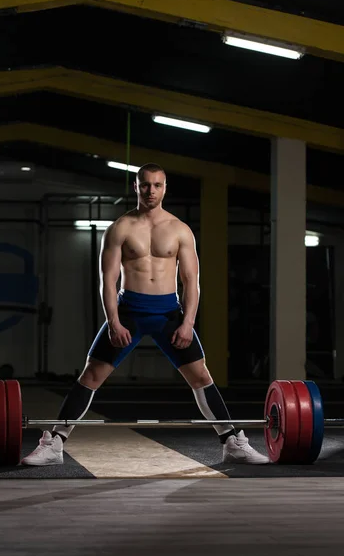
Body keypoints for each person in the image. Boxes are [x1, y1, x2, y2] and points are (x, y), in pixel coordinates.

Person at [21, 163, 269, 466]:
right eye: (145, 185)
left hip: (168, 313)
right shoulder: (120, 228)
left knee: (201, 376)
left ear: (165, 188)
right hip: (129, 312)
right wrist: (113, 321)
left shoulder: (180, 230)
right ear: (135, 187)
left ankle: (232, 442)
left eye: (157, 185)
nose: (151, 190)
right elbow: (107, 281)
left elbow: (192, 282)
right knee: (91, 375)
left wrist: (188, 322)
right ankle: (54, 444)